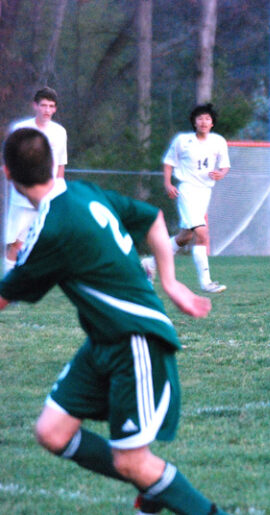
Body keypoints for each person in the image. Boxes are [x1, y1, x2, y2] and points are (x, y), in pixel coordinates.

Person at [0, 128, 228, 515]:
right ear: (51, 165)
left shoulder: (51, 229)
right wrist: (169, 281)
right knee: (52, 433)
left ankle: (185, 499)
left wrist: (170, 283)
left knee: (131, 462)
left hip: (134, 339)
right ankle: (154, 484)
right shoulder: (82, 192)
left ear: (7, 173)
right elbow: (152, 216)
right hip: (104, 340)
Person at [145, 104, 230, 294]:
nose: (203, 122)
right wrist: (168, 184)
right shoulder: (183, 140)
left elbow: (225, 166)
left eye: (207, 118)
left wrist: (221, 173)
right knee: (201, 232)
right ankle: (206, 282)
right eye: (200, 118)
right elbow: (169, 162)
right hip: (186, 190)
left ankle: (150, 264)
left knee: (185, 236)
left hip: (204, 192)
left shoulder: (218, 141)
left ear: (212, 122)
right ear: (194, 121)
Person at [4, 86, 68, 274]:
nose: (47, 110)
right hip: (22, 197)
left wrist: (59, 191)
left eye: (51, 106)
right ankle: (8, 284)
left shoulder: (59, 132)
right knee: (15, 242)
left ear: (55, 109)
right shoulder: (21, 129)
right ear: (35, 106)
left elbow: (60, 164)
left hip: (47, 197)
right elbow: (11, 160)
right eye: (43, 105)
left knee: (49, 242)